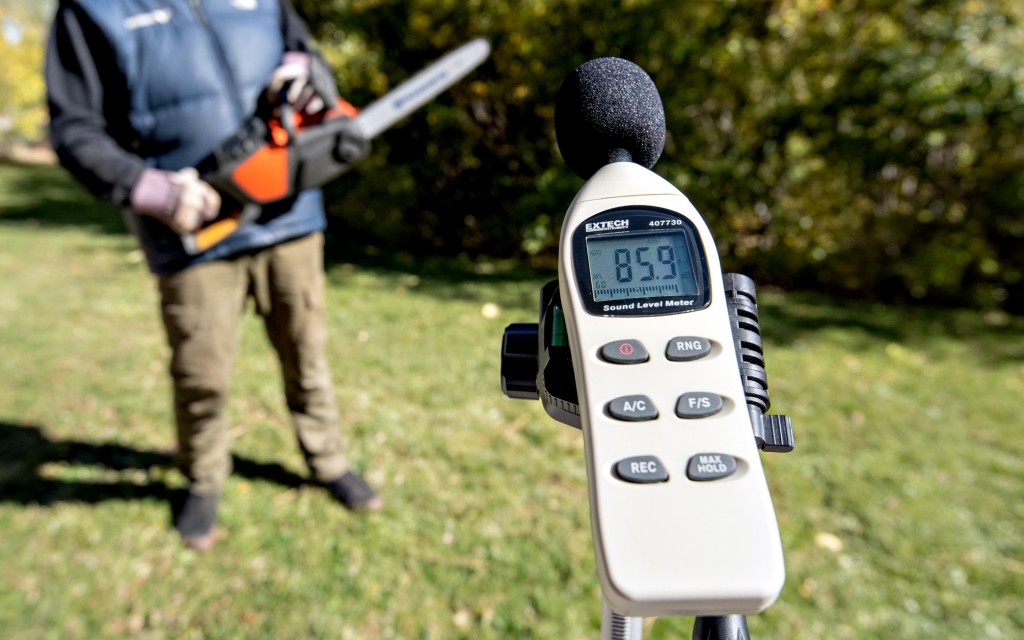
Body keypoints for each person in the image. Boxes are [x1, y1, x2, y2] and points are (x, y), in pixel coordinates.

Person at [46, 0, 382, 551]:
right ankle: (203, 479)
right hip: (190, 234)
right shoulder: (91, 10)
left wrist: (301, 73)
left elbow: (302, 50)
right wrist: (154, 191)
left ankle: (329, 461)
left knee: (307, 356)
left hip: (290, 215)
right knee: (202, 376)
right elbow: (75, 131)